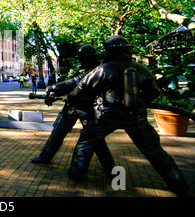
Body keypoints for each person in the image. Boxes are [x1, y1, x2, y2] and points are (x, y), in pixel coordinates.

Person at [66, 35, 189, 197]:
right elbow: (153, 92)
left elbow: (78, 92)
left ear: (109, 51)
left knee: (86, 141)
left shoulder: (102, 70)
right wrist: (139, 102)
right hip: (135, 116)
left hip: (106, 116)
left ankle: (76, 172)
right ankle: (178, 183)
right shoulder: (141, 69)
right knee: (154, 150)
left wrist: (70, 98)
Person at [31, 44, 115, 176]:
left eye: (83, 58)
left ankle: (109, 166)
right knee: (58, 132)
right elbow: (72, 85)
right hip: (72, 106)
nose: (80, 61)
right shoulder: (82, 68)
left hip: (88, 108)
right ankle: (45, 156)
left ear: (90, 58)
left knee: (95, 139)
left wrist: (54, 87)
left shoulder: (96, 70)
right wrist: (54, 94)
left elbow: (77, 82)